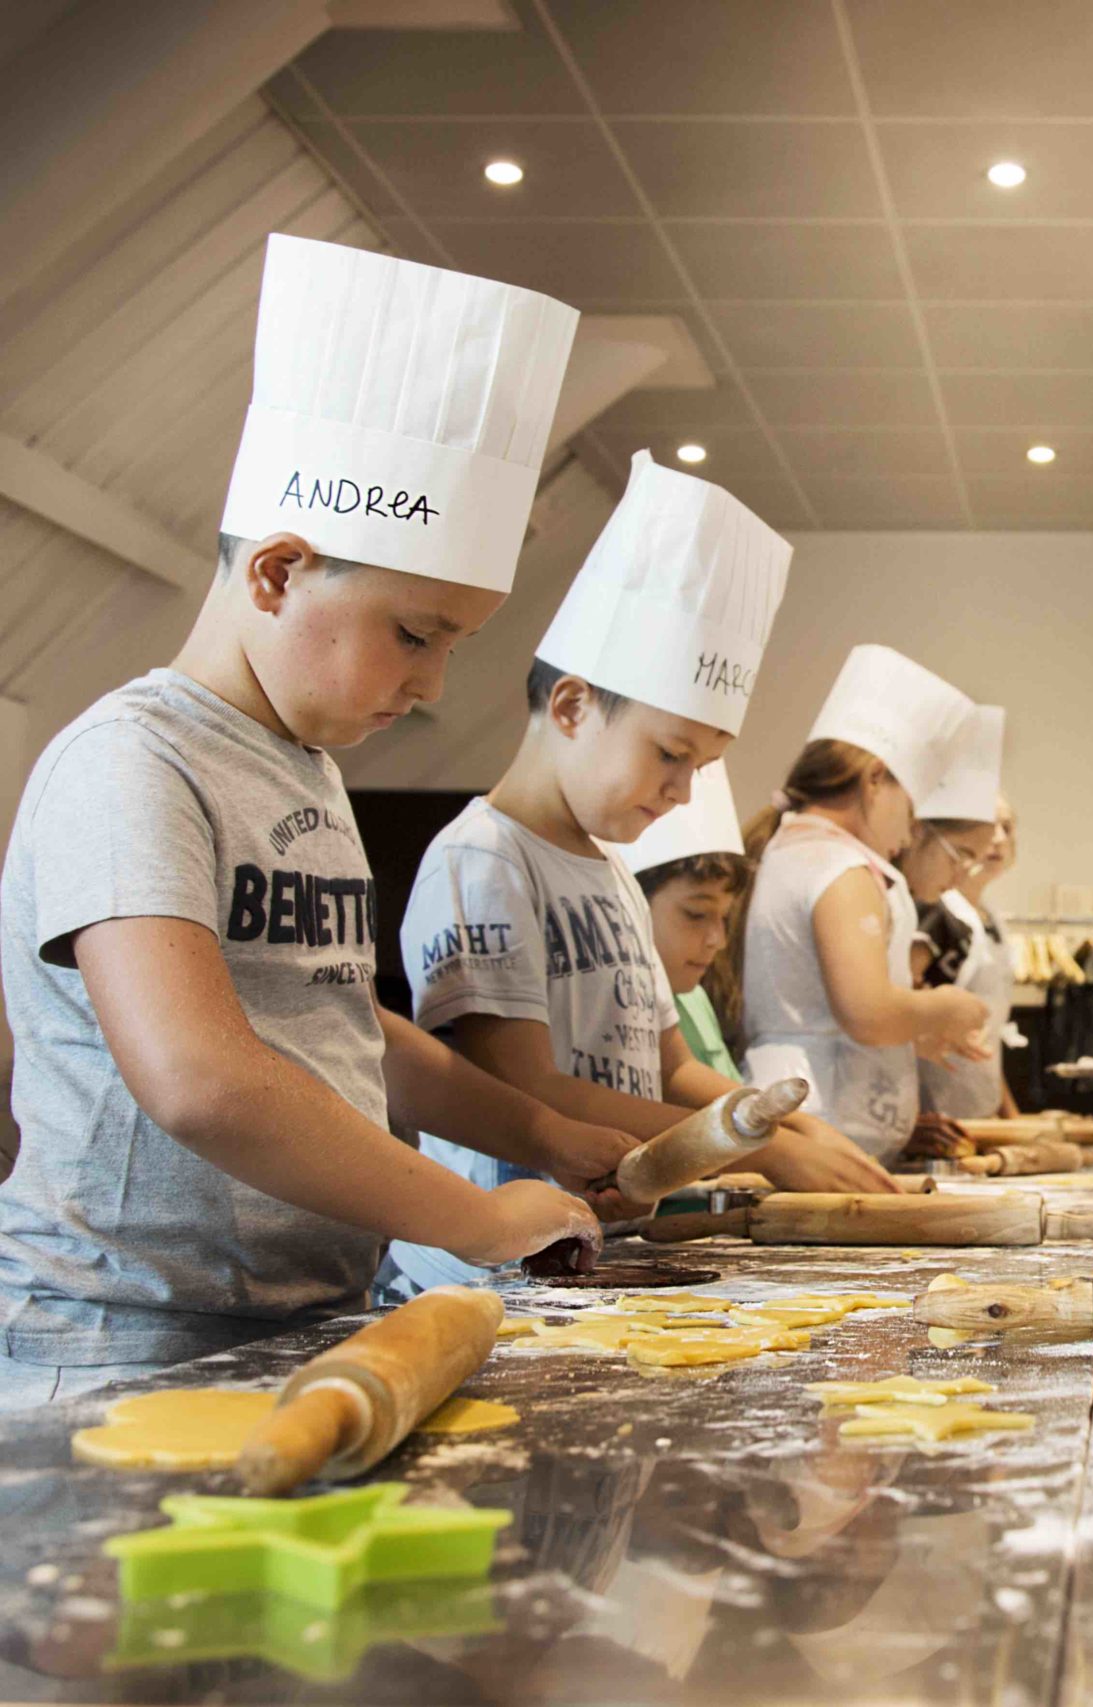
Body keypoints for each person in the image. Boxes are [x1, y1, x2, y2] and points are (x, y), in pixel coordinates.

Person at [0, 237, 606, 1403]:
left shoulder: (302, 768)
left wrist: (539, 1129)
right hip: (124, 1338)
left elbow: (340, 1026)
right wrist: (473, 1216)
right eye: (415, 634)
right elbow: (202, 1078)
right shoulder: (133, 762)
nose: (431, 686)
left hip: (304, 1314)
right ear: (277, 572)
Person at [386, 454, 896, 1294]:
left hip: (600, 1256)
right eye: (671, 753)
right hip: (492, 1276)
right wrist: (753, 1145)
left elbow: (668, 1065)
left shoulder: (614, 873)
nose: (683, 788)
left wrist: (787, 1124)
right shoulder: (484, 859)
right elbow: (525, 1084)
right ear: (573, 706)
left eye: (702, 763)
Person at [735, 646, 991, 1163]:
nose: (911, 830)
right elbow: (867, 1013)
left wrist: (915, 1034)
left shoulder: (799, 850)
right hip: (821, 1118)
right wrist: (948, 1007)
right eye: (912, 807)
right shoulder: (839, 866)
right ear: (875, 779)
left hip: (820, 1120)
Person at [903, 710, 1011, 1122]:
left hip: (964, 1104)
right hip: (928, 1104)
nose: (964, 871)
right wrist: (939, 1008)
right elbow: (871, 1009)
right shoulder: (930, 912)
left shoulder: (981, 917)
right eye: (963, 855)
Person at [623, 760, 751, 1081]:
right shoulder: (618, 1008)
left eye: (724, 917)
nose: (717, 940)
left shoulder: (693, 996)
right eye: (696, 914)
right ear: (631, 903)